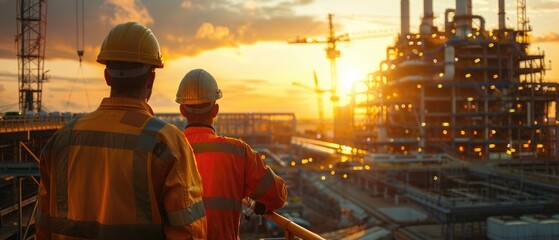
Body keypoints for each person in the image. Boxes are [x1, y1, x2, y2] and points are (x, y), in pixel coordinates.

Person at [36, 22, 207, 239]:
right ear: (151, 79)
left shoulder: (62, 140)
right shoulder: (166, 142)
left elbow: (43, 226)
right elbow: (189, 232)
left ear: (107, 77)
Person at [175, 69, 288, 240]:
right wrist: (255, 203)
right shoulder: (238, 152)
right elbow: (277, 196)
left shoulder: (167, 149)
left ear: (182, 110)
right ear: (215, 110)